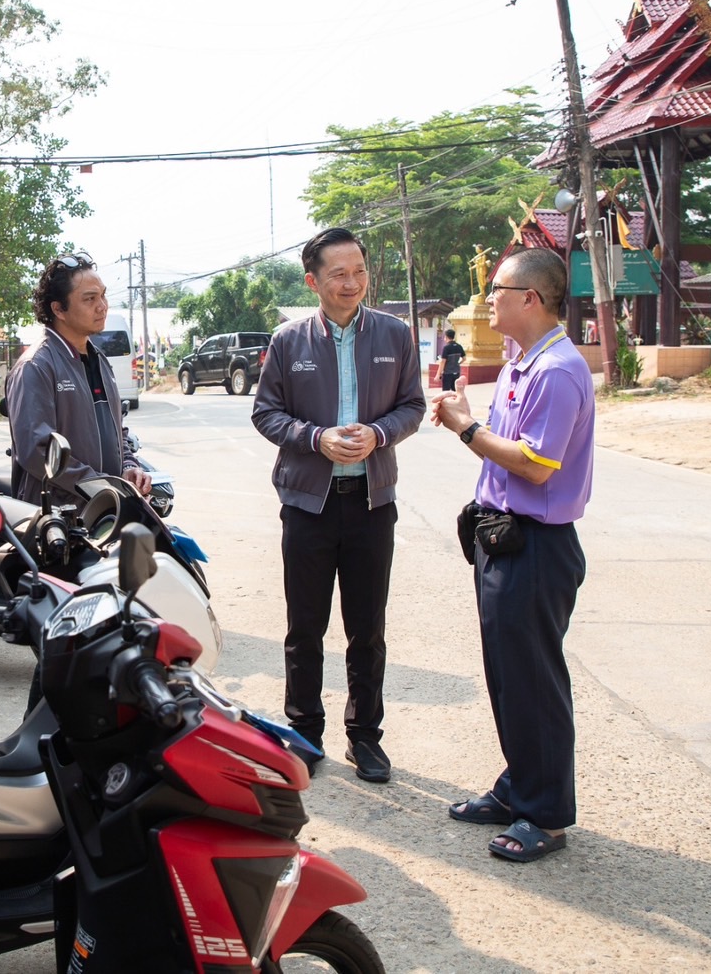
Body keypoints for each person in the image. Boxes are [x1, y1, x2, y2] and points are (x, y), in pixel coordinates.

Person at [429, 246, 595, 863]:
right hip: (502, 535)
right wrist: (470, 419)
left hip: (537, 544)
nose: (486, 299)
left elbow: (535, 464)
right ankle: (519, 787)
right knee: (508, 675)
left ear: (530, 298)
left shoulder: (557, 371)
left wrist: (466, 429)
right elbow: (507, 444)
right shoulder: (522, 362)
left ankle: (545, 814)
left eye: (496, 290)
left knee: (534, 680)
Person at [251, 227, 426, 783]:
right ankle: (304, 733)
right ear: (313, 282)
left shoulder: (394, 334)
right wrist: (315, 438)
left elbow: (413, 405)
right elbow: (265, 413)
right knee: (304, 627)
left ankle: (365, 737)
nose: (352, 283)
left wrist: (379, 433)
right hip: (309, 506)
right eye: (339, 274)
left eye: (359, 272)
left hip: (372, 503)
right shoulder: (289, 341)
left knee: (367, 628)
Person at [6, 251, 150, 508]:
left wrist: (129, 465)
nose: (102, 306)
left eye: (103, 295)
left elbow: (117, 430)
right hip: (59, 517)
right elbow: (39, 452)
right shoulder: (36, 366)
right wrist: (101, 487)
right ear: (59, 309)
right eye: (89, 299)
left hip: (104, 509)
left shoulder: (99, 359)